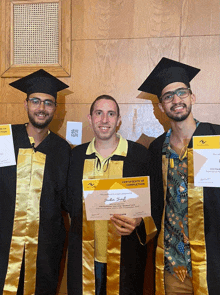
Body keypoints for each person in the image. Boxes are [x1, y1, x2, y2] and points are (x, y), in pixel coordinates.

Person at [138, 57, 220, 295]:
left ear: (192, 97)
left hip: (213, 261)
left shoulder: (216, 138)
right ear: (161, 107)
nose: (176, 100)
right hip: (172, 267)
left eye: (181, 92)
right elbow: (153, 204)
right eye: (168, 96)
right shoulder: (155, 150)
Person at [67, 94, 157, 295]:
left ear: (118, 120)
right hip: (85, 259)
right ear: (90, 119)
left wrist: (140, 220)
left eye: (110, 114)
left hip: (126, 259)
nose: (104, 120)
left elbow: (156, 205)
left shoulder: (140, 156)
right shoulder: (75, 157)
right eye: (99, 113)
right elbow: (67, 203)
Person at [0, 69, 71, 294]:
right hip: (3, 246)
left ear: (55, 109)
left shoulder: (62, 150)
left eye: (48, 103)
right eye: (36, 101)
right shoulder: (4, 138)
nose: (41, 108)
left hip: (44, 253)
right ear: (26, 104)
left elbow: (68, 202)